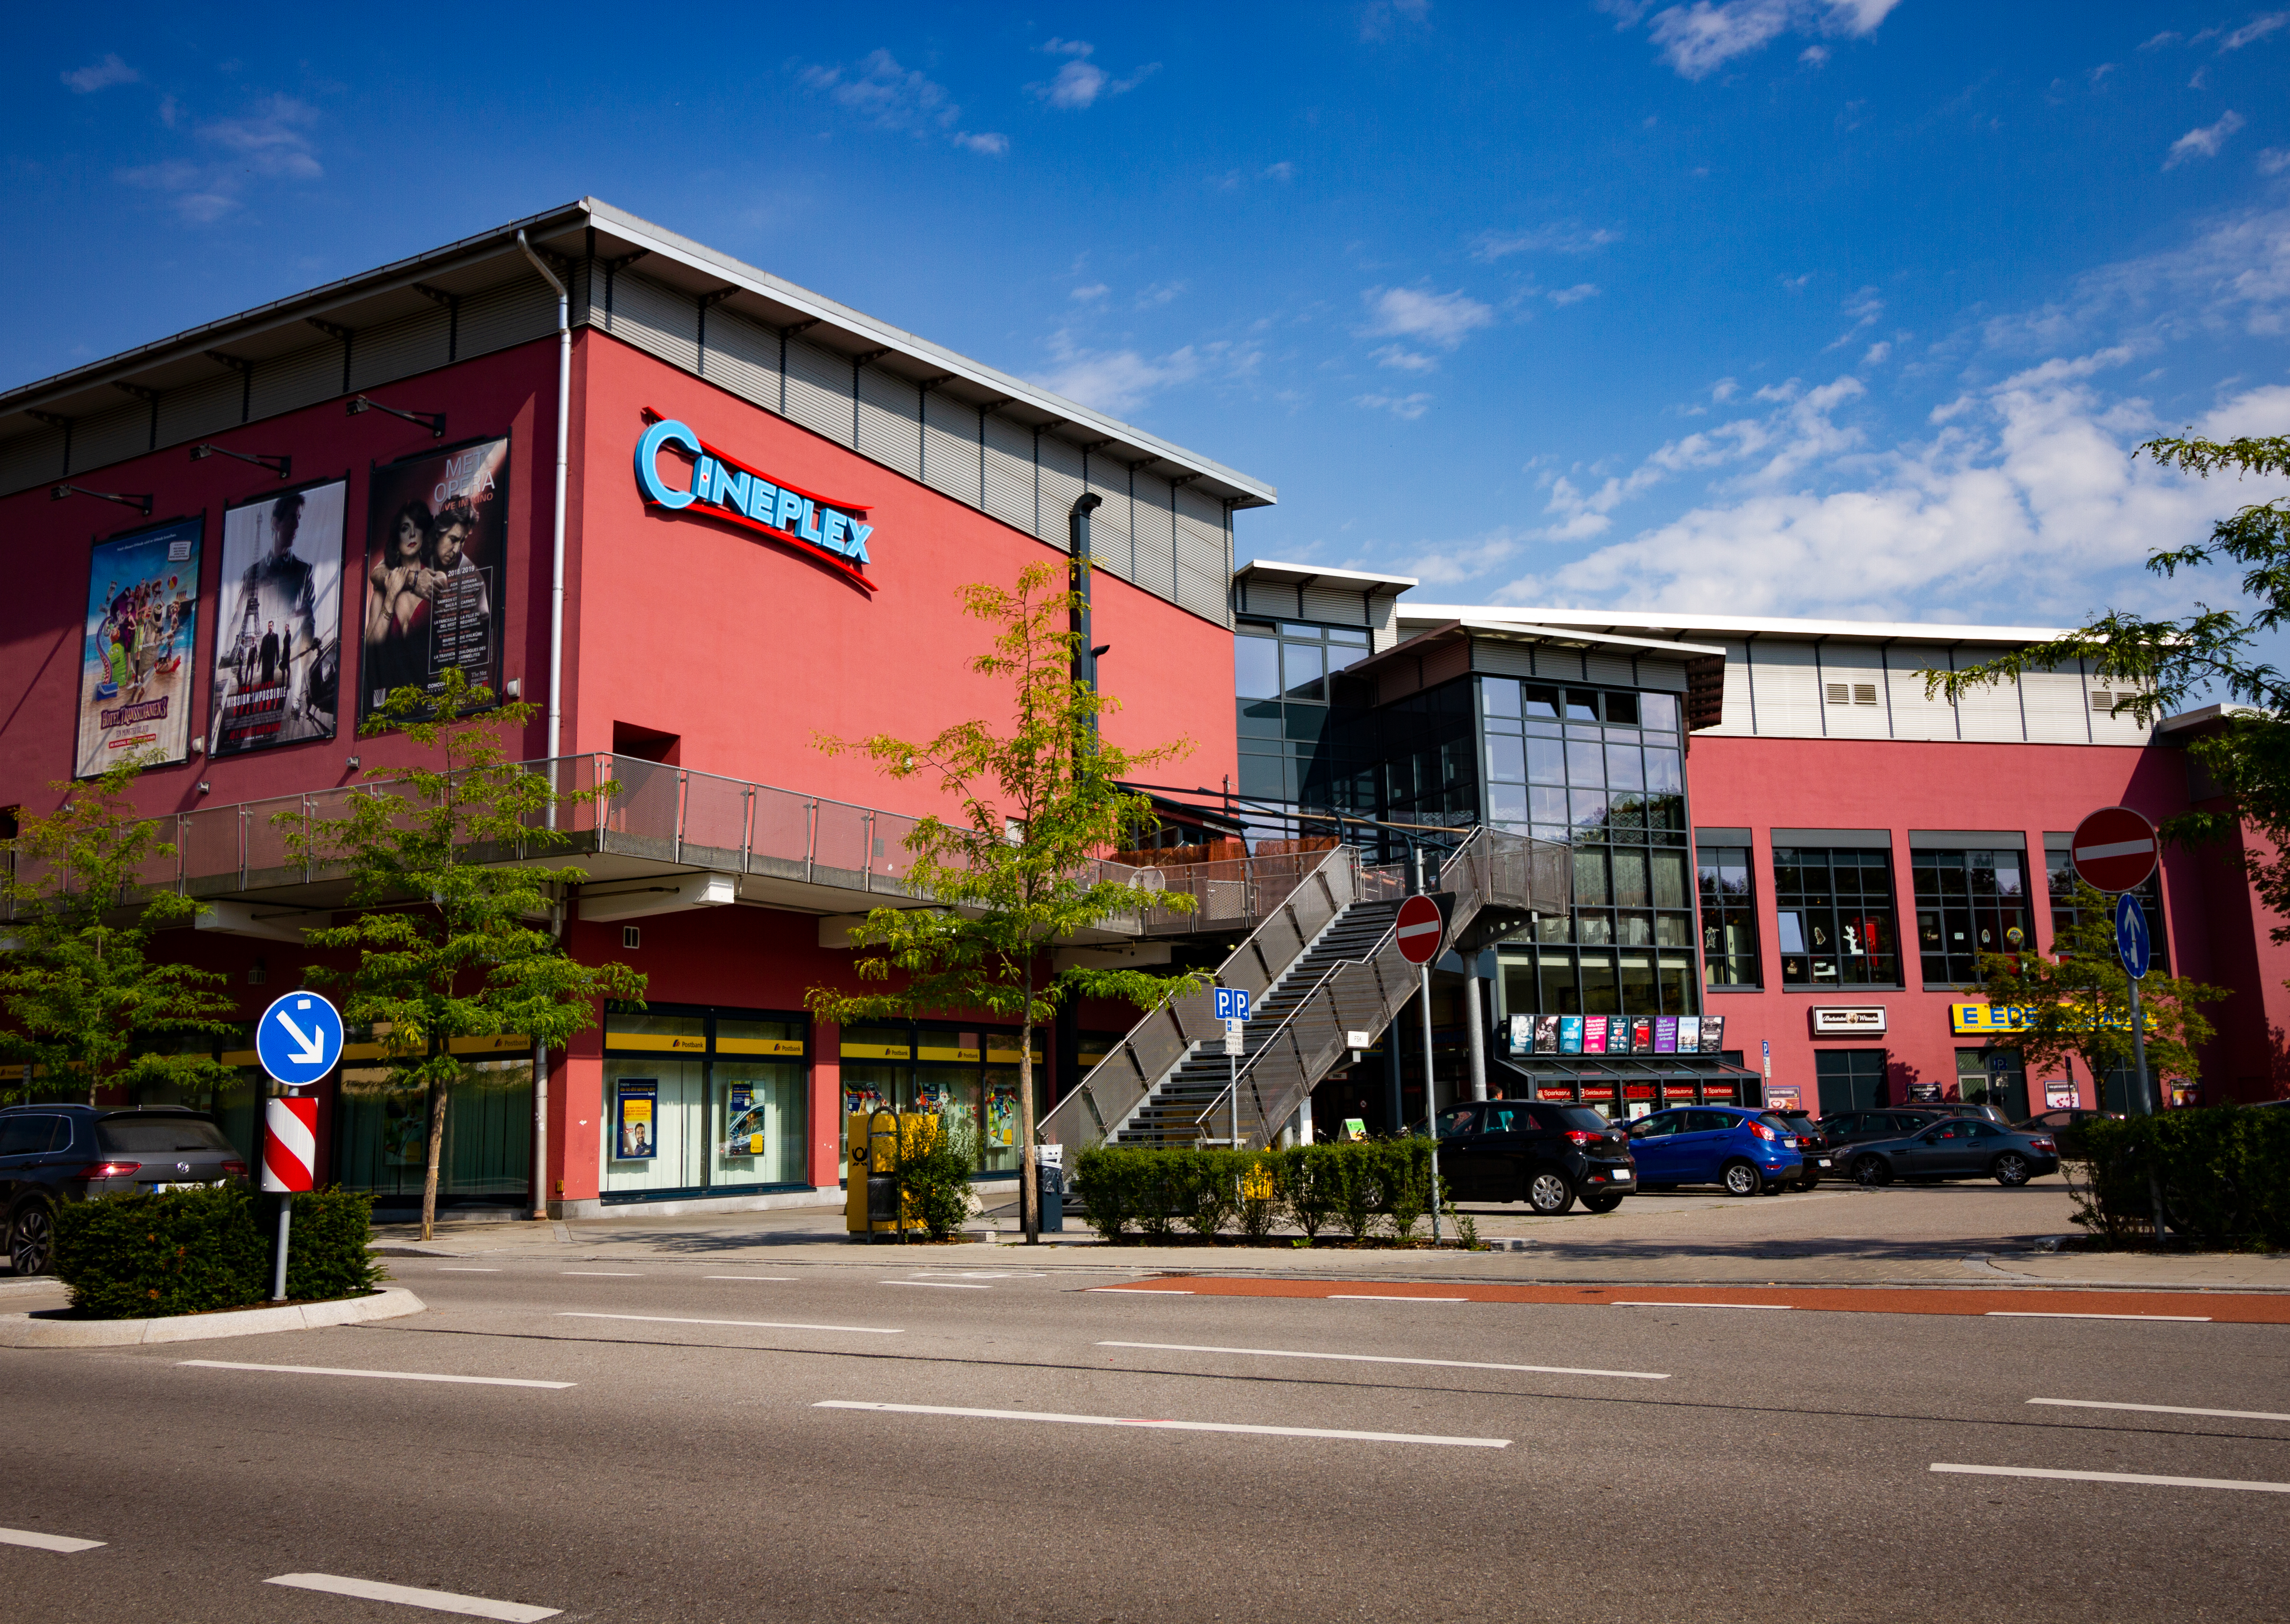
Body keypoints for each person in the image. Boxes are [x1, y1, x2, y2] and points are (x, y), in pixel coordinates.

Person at [365, 500, 435, 702]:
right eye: (405, 529)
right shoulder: (383, 591)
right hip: (391, 694)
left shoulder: (433, 580)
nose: (412, 535)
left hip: (429, 694)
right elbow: (371, 646)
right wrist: (391, 596)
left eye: (417, 527)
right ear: (397, 537)